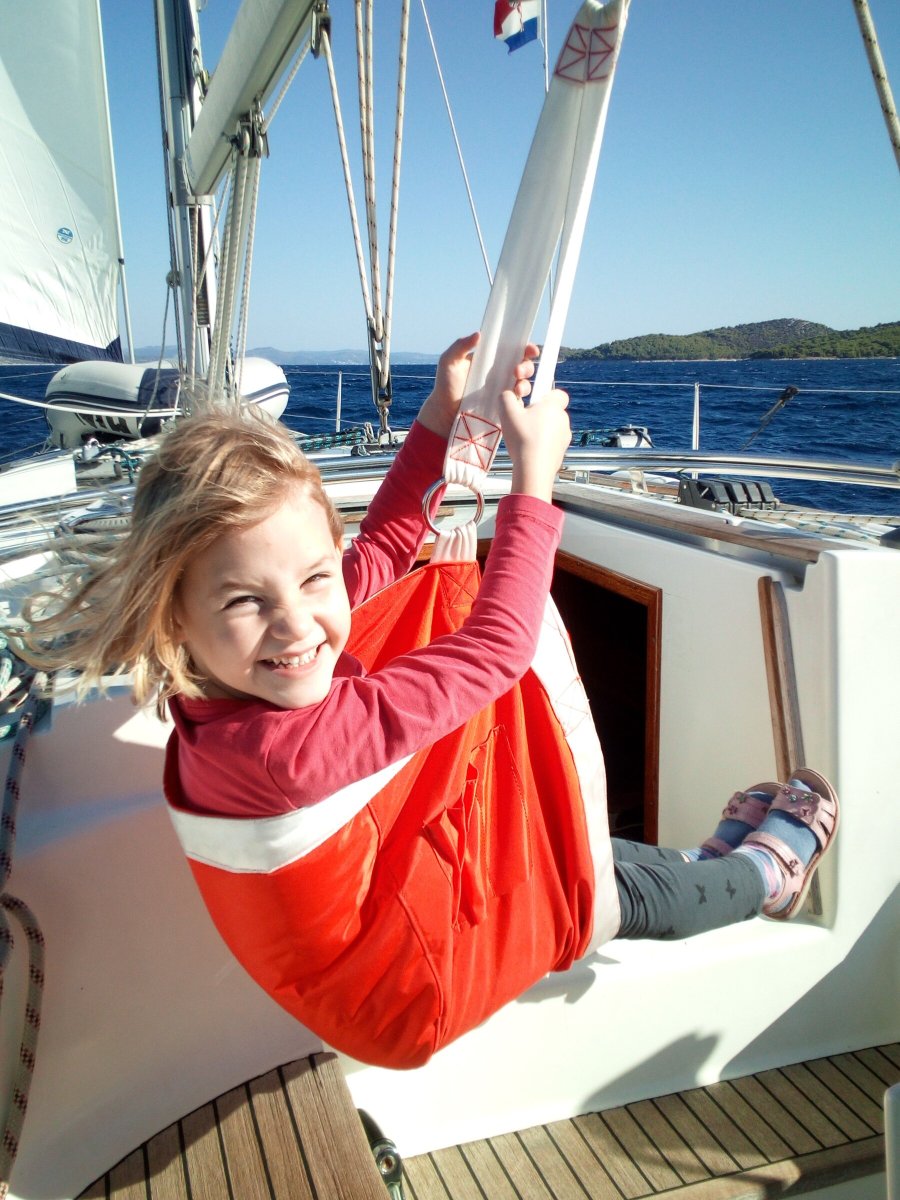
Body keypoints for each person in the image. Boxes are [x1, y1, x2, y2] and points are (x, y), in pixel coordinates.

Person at [14, 333, 839, 1069]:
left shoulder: (228, 681)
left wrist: (441, 414)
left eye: (312, 577)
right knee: (597, 894)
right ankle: (765, 875)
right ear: (176, 617)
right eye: (243, 602)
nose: (296, 625)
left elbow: (373, 552)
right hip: (408, 993)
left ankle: (705, 856)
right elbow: (495, 650)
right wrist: (533, 484)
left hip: (380, 930)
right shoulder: (280, 755)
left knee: (589, 853)